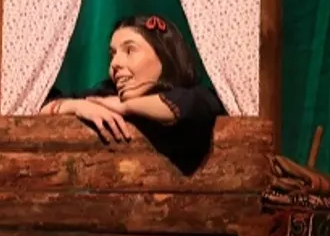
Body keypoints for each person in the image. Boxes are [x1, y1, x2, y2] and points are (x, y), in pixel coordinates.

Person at [40, 14, 225, 145]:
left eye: (130, 50)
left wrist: (126, 107)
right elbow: (40, 104)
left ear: (163, 56)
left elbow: (187, 105)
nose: (115, 64)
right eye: (112, 54)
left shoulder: (198, 96)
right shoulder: (105, 95)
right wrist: (77, 106)